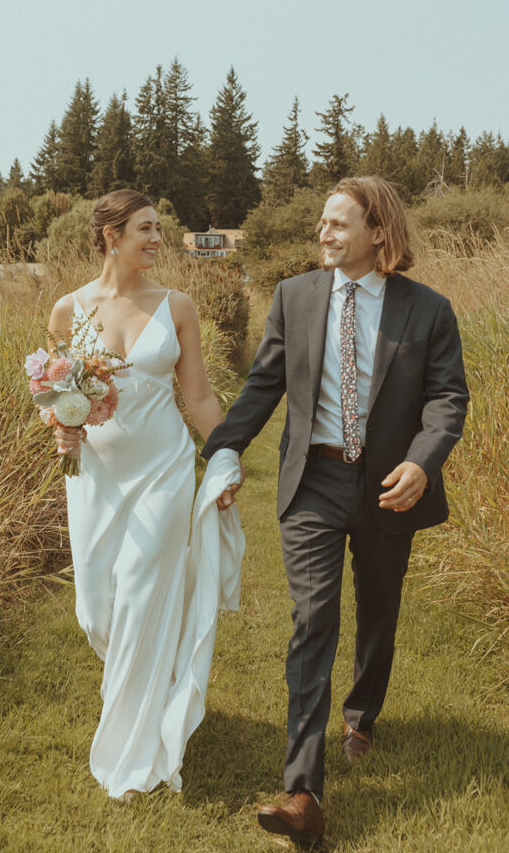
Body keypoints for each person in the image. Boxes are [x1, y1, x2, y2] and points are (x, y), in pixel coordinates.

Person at [206, 176, 468, 845]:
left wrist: (421, 459)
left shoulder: (427, 310)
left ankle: (360, 717)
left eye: (337, 223)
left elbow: (446, 399)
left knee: (378, 608)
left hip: (388, 484)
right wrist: (219, 450)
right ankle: (302, 793)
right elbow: (262, 385)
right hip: (313, 482)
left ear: (377, 232)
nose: (322, 233)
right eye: (321, 223)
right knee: (313, 617)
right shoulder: (293, 298)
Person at [49, 189, 244, 801]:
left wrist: (227, 454)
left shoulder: (177, 306)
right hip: (95, 479)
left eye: (160, 228)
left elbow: (200, 398)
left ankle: (136, 756)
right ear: (110, 235)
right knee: (97, 612)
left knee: (139, 596)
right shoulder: (67, 310)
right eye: (145, 229)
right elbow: (55, 395)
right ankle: (153, 685)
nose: (158, 238)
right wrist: (61, 425)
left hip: (163, 470)